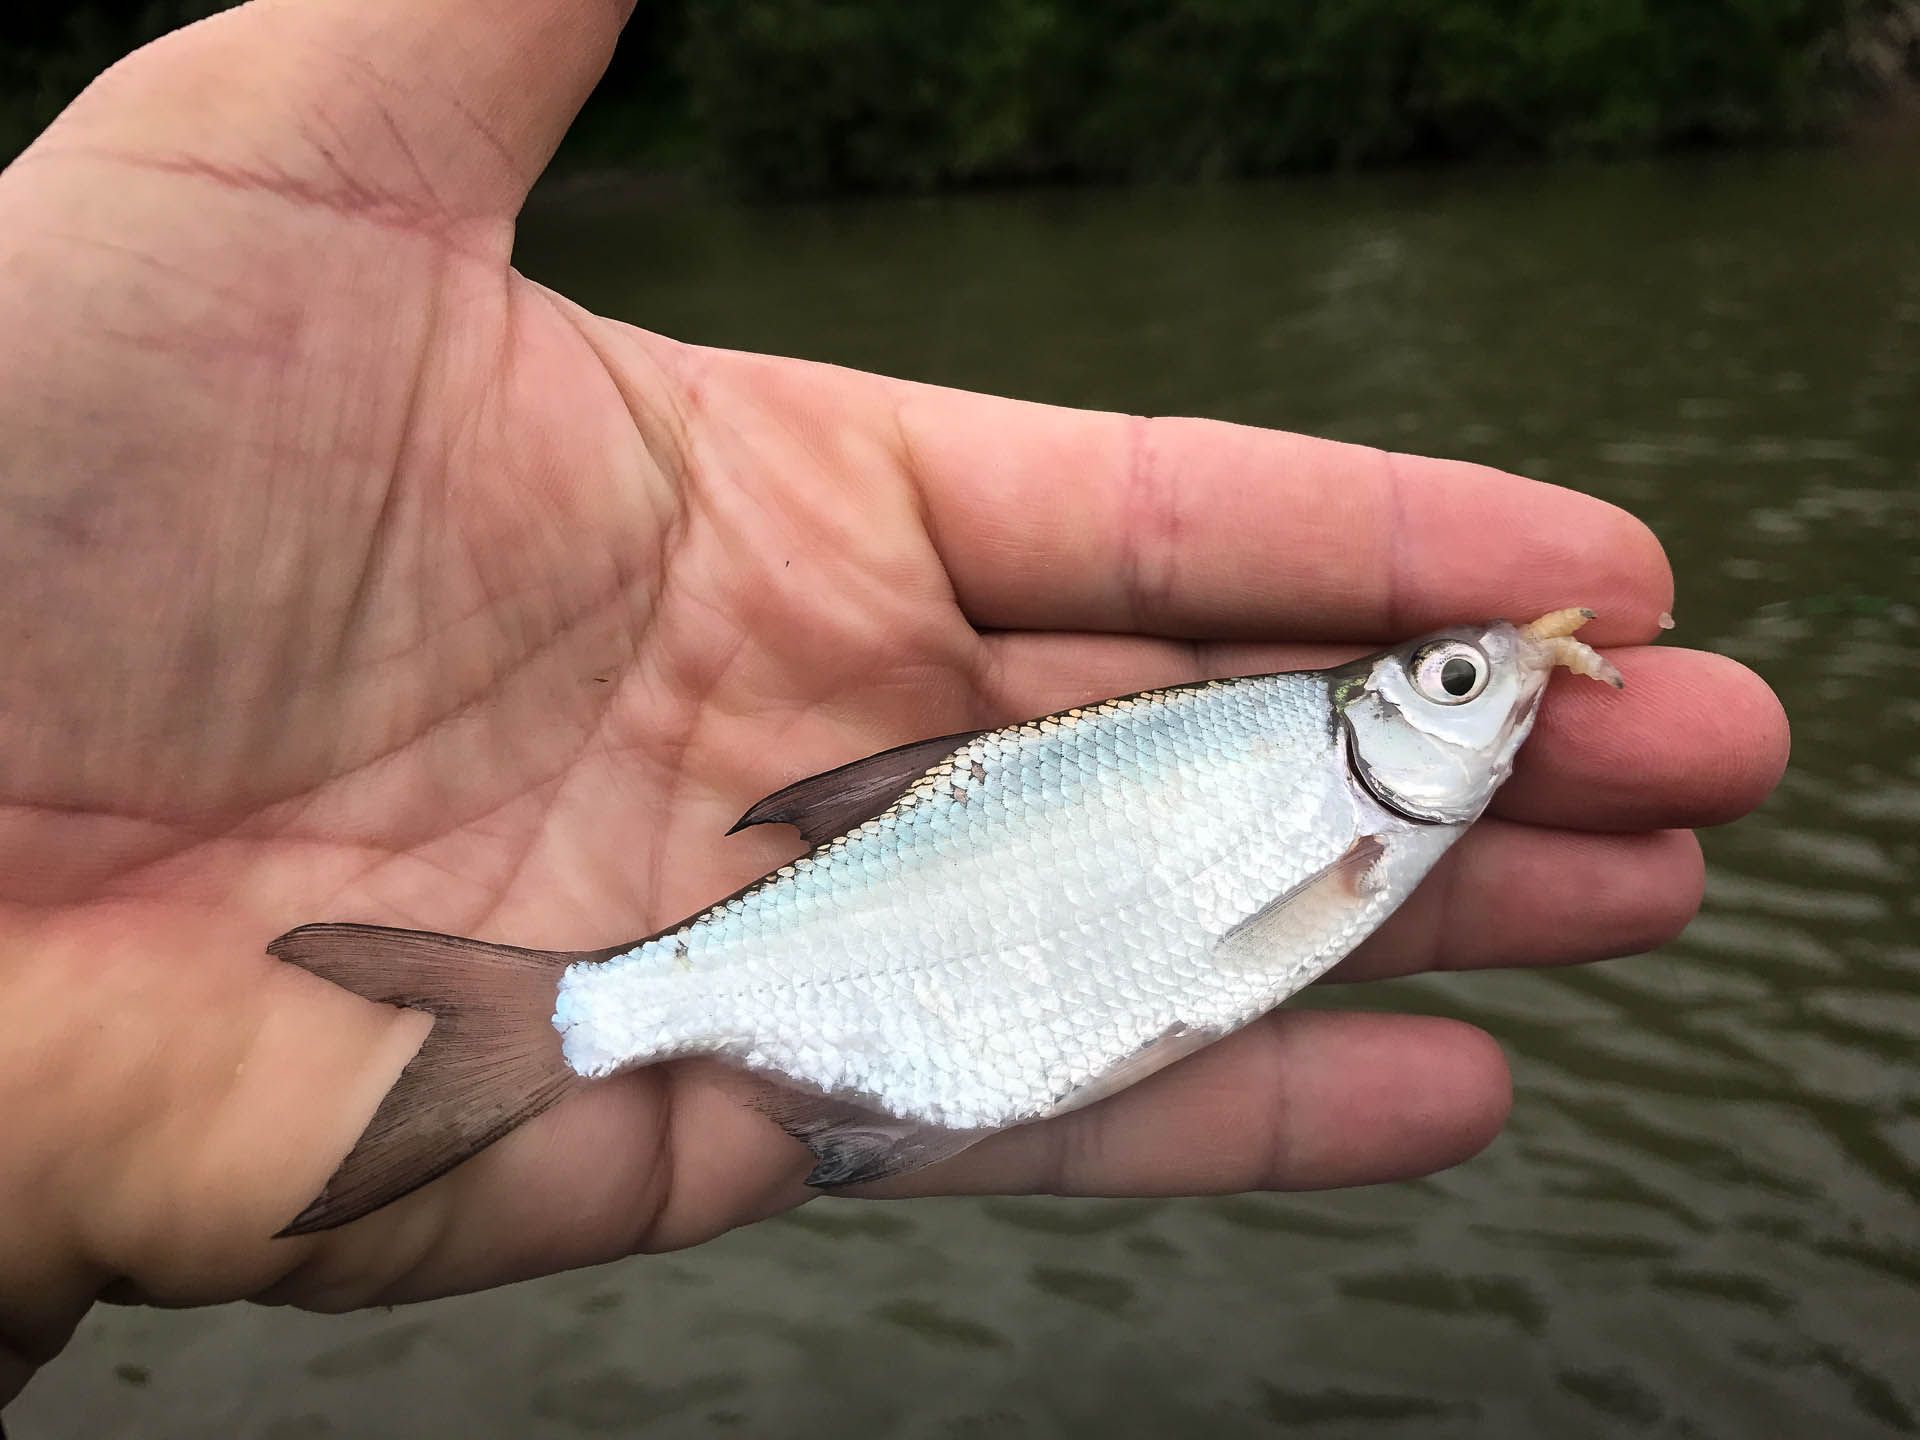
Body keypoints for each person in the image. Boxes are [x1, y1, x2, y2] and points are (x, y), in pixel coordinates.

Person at [0, 0, 1788, 1403]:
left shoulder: (1344, 794)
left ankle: (568, 1019)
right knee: (626, 1007)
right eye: (1461, 680)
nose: (1491, 696)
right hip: (863, 939)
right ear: (1396, 717)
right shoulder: (1335, 785)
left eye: (1462, 678)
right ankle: (566, 1018)